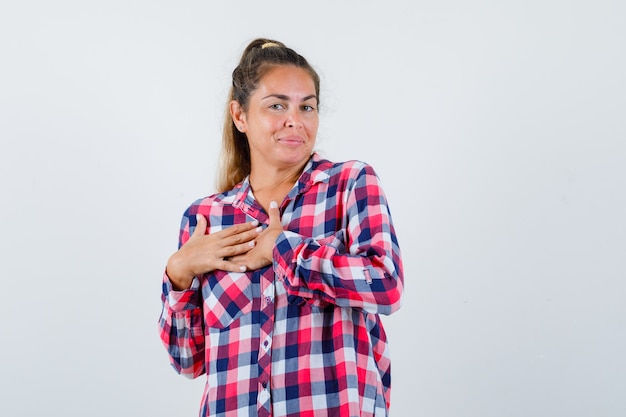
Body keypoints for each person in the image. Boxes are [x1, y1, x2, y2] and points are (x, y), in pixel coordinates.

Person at [158, 38, 404, 417]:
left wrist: (281, 247)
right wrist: (178, 274)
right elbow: (188, 362)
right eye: (277, 105)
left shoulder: (349, 184)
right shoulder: (205, 218)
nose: (295, 120)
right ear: (240, 116)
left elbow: (385, 285)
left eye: (307, 106)